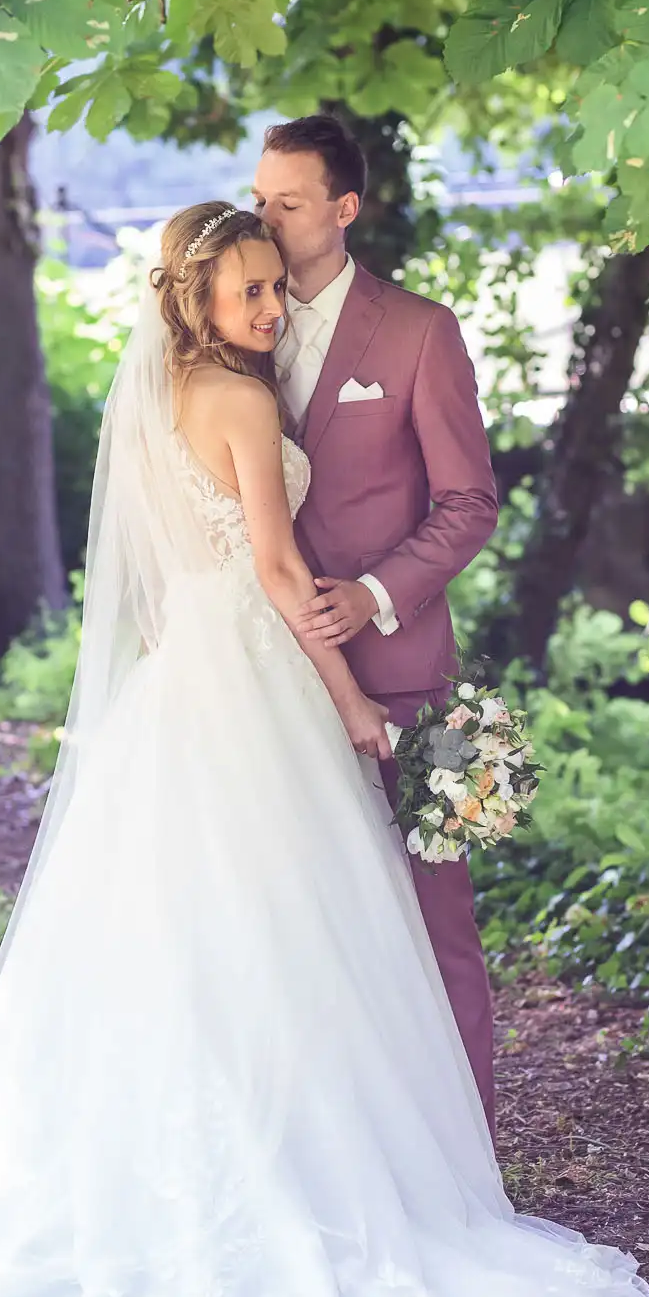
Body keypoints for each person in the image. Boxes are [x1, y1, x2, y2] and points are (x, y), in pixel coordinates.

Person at [0, 203, 649, 1297]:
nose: (267, 311)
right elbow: (273, 563)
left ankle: (195, 1157)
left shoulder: (161, 394)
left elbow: (168, 568)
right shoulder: (245, 398)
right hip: (251, 667)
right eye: (246, 293)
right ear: (196, 300)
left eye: (271, 289)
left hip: (183, 672)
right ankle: (287, 1172)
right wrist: (351, 699)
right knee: (279, 921)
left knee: (183, 922)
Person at [253, 116, 501, 1135]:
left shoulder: (419, 331)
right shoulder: (236, 329)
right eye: (258, 195)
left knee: (443, 921)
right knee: (300, 927)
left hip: (414, 674)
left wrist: (374, 594)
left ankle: (469, 1156)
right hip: (269, 678)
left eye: (289, 202)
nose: (264, 215)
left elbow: (471, 504)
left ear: (344, 209)